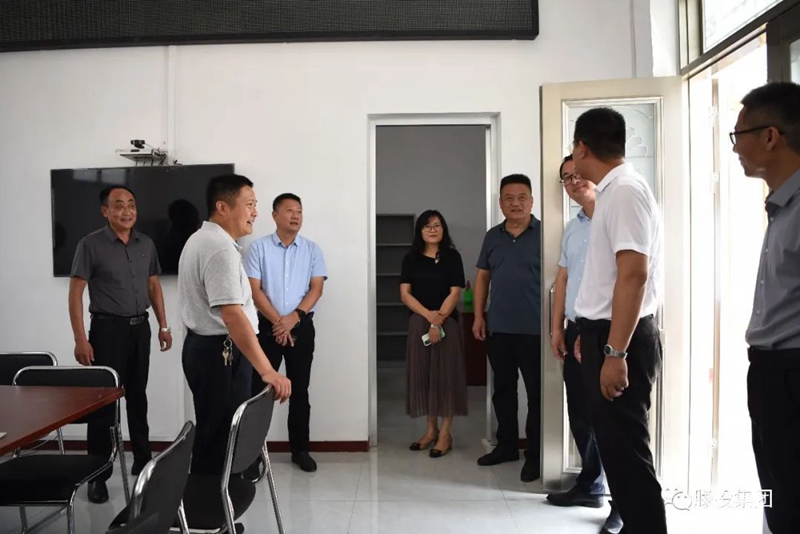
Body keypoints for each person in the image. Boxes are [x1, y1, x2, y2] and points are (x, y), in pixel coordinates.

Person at [571, 107, 666, 534]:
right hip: (604, 333)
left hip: (620, 339)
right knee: (616, 449)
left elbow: (633, 275)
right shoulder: (611, 191)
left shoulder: (625, 191)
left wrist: (614, 351)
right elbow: (609, 276)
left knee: (627, 453)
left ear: (581, 147)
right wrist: (589, 332)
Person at [178, 174, 291, 476]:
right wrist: (267, 370)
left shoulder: (202, 239)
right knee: (221, 436)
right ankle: (212, 500)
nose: (255, 212)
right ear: (223, 207)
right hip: (220, 352)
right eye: (249, 204)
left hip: (209, 349)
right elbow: (232, 314)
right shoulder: (219, 248)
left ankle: (216, 496)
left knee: (216, 431)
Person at [69, 185, 172, 504]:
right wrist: (80, 339)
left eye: (131, 205)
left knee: (138, 397)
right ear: (105, 211)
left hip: (140, 329)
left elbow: (153, 286)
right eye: (118, 205)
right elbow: (75, 293)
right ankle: (97, 476)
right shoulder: (90, 244)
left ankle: (143, 462)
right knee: (104, 405)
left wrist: (163, 325)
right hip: (107, 331)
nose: (126, 211)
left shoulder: (146, 244)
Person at [732, 82, 800, 534]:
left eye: (739, 135)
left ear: (771, 136)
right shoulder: (781, 206)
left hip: (792, 372)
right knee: (778, 493)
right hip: (772, 372)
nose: (735, 147)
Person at [546, 156, 623, 533]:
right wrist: (557, 328)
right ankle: (591, 485)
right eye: (566, 178)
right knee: (580, 413)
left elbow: (630, 279)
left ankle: (623, 502)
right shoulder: (572, 228)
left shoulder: (615, 217)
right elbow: (562, 278)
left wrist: (611, 342)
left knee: (614, 420)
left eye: (577, 174)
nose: (573, 181)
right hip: (577, 328)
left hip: (609, 332)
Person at [244, 193, 327, 472]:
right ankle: (252, 455)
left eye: (299, 211)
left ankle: (300, 450)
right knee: (258, 392)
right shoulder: (258, 248)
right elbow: (254, 290)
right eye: (289, 210)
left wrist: (294, 318)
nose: (295, 216)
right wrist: (279, 322)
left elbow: (316, 288)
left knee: (299, 390)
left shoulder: (312, 249)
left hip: (301, 327)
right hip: (265, 329)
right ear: (275, 215)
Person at [472, 173, 542, 483]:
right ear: (500, 203)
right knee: (503, 391)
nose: (516, 203)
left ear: (531, 201)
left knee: (537, 395)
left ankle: (536, 454)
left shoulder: (546, 234)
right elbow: (482, 277)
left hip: (535, 329)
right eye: (509, 198)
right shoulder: (493, 236)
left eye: (522, 197)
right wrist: (478, 316)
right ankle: (507, 446)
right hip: (499, 328)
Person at [400, 210, 468, 458]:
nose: (432, 230)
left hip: (447, 322)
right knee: (425, 377)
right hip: (419, 323)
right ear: (419, 231)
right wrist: (429, 317)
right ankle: (430, 430)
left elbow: (455, 292)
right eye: (427, 226)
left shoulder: (452, 257)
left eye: (437, 225)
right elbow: (405, 294)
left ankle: (445, 433)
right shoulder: (411, 259)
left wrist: (438, 320)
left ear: (443, 230)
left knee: (446, 377)